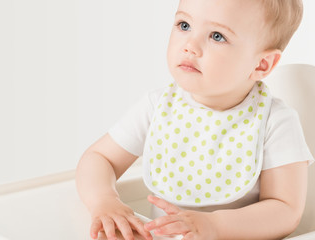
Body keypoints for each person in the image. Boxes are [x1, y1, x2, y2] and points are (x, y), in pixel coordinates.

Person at [76, 0, 314, 239]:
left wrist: (215, 225)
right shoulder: (158, 107)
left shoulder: (276, 122)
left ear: (261, 64)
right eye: (184, 25)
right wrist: (104, 201)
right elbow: (99, 158)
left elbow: (285, 210)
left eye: (217, 36)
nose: (189, 45)